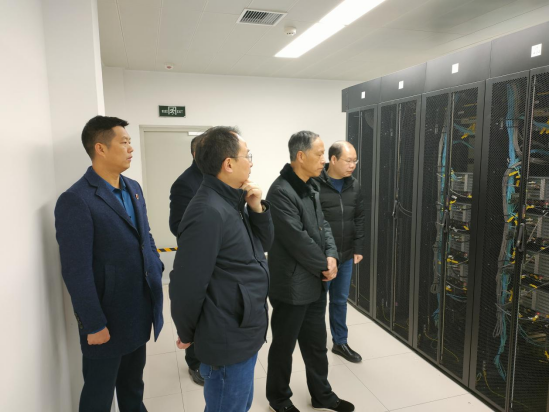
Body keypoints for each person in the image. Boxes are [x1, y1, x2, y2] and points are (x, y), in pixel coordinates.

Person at [55, 115, 164, 412]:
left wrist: (155, 265)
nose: (131, 148)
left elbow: (145, 235)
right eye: (124, 142)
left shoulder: (133, 187)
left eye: (130, 142)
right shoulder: (76, 199)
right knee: (99, 395)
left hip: (137, 308)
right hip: (106, 318)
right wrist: (94, 324)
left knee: (133, 386)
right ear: (100, 148)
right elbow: (76, 270)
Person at [170, 127, 274, 412]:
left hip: (243, 327)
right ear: (228, 163)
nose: (251, 162)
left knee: (239, 404)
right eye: (247, 156)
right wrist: (187, 333)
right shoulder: (207, 210)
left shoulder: (234, 201)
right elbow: (187, 284)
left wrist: (257, 207)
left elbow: (264, 244)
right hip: (227, 335)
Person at [266, 131, 355, 412]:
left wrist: (331, 257)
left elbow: (323, 225)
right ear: (300, 156)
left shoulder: (311, 185)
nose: (323, 160)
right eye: (318, 154)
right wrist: (324, 264)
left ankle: (322, 395)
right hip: (291, 286)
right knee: (284, 346)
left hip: (315, 282)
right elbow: (297, 240)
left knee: (316, 344)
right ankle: (279, 399)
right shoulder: (280, 192)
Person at [315, 141, 364, 363]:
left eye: (355, 161)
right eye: (348, 160)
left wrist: (358, 247)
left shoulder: (354, 185)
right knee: (318, 302)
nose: (353, 165)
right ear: (333, 160)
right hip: (323, 256)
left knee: (340, 300)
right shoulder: (315, 184)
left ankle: (340, 342)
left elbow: (359, 217)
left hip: (346, 254)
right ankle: (315, 344)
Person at [168, 133, 204, 385]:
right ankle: (194, 363)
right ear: (195, 154)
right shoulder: (185, 183)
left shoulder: (220, 178)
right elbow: (177, 225)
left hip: (219, 258)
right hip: (197, 256)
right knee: (196, 312)